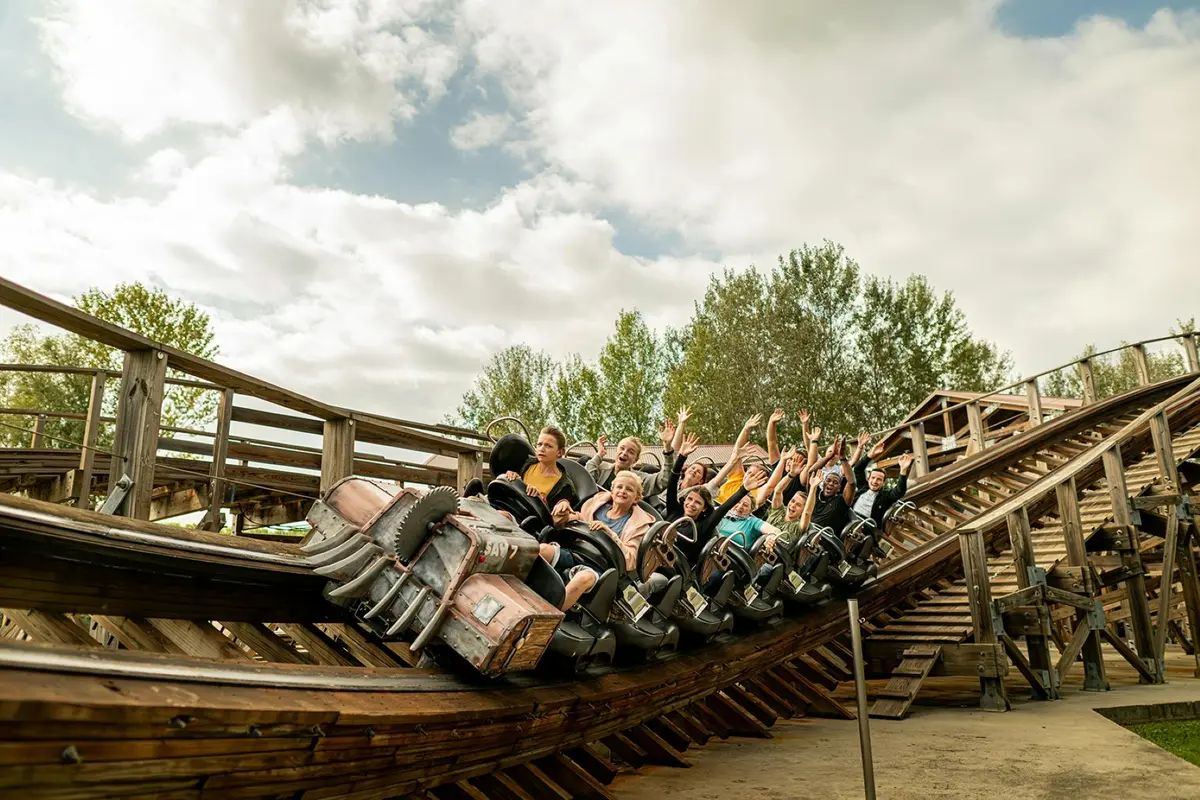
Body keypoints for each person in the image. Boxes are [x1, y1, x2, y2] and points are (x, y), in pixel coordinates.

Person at [587, 408, 686, 499]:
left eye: (631, 452)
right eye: (622, 448)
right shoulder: (602, 468)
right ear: (616, 451)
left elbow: (664, 480)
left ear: (635, 460)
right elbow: (586, 479)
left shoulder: (639, 480)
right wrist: (600, 454)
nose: (624, 453)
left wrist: (667, 447)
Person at [502, 425, 578, 518]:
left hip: (527, 522)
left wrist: (539, 499)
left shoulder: (564, 486)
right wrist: (511, 477)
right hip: (508, 507)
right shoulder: (526, 463)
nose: (542, 449)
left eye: (548, 446)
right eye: (539, 444)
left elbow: (553, 520)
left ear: (559, 452)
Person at [851, 432, 915, 527]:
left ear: (883, 483)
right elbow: (858, 469)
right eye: (873, 478)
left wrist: (903, 470)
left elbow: (899, 491)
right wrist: (870, 455)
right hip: (850, 518)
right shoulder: (862, 487)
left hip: (866, 525)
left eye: (879, 479)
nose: (874, 482)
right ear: (868, 479)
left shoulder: (885, 496)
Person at [807, 435, 856, 534]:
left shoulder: (840, 501)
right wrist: (830, 456)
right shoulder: (815, 493)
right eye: (828, 480)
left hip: (825, 539)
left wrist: (842, 458)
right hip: (806, 533)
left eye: (835, 483)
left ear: (839, 488)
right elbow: (811, 472)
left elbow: (852, 482)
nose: (831, 483)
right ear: (823, 482)